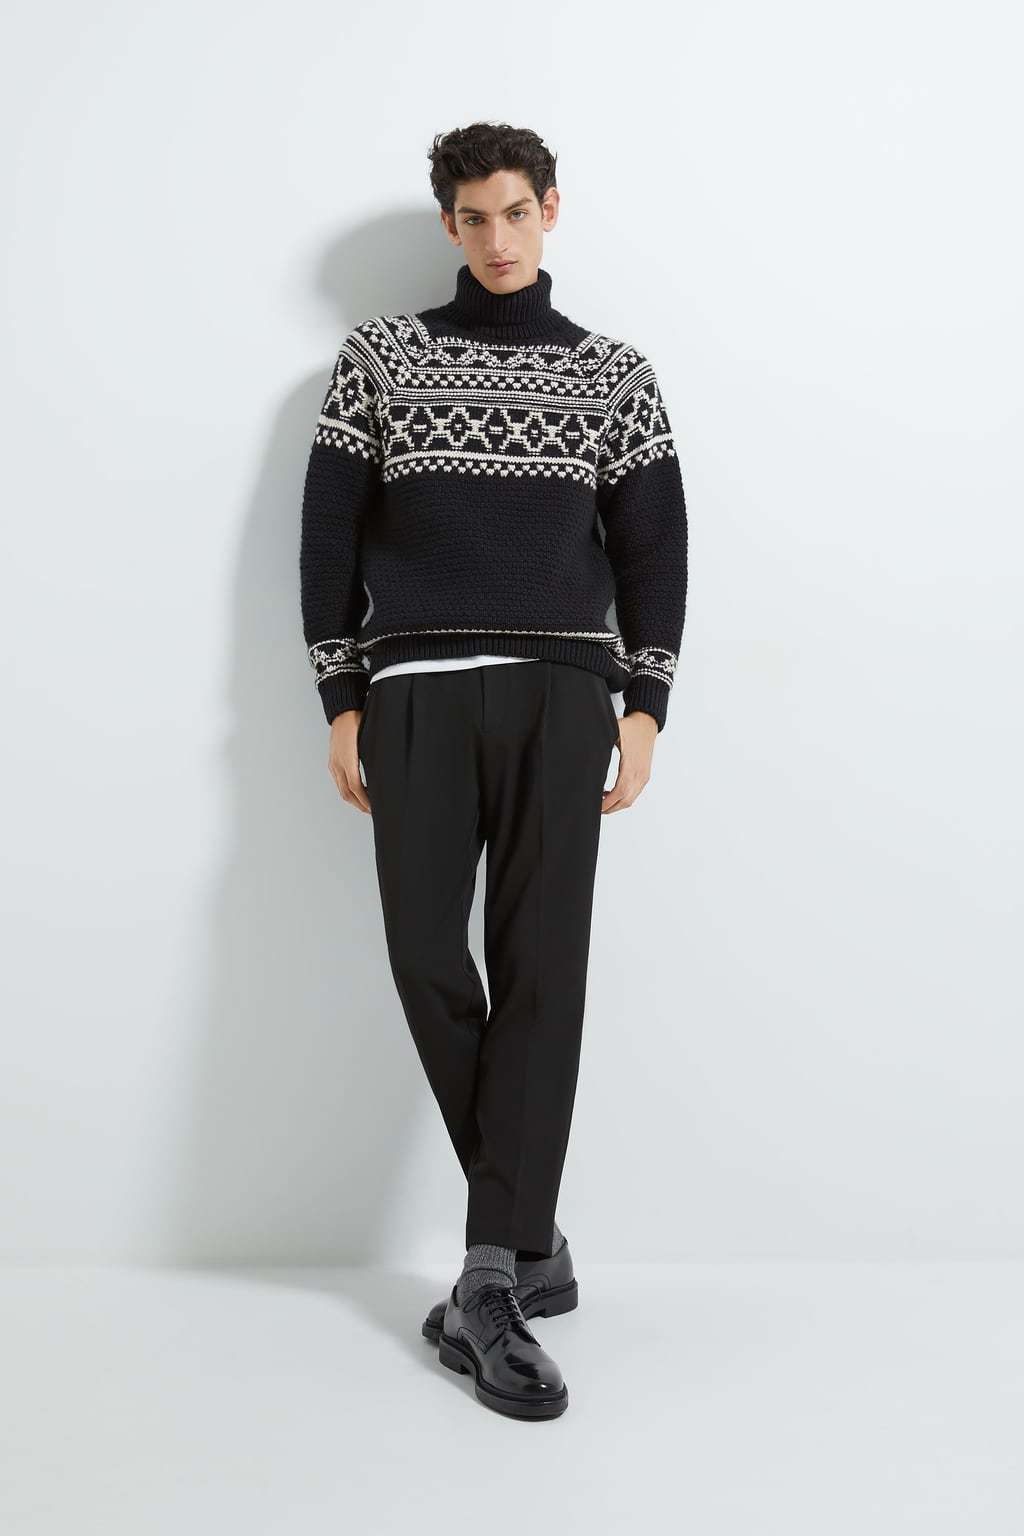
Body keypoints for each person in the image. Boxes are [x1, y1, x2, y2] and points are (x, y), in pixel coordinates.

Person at [299, 121, 688, 1419]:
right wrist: (340, 696)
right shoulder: (382, 360)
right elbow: (328, 535)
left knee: (540, 971)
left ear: (551, 210)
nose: (499, 237)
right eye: (475, 218)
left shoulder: (615, 375)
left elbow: (654, 550)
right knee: (428, 957)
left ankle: (484, 1278)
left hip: (563, 696)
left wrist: (646, 706)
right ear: (451, 226)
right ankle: (530, 1248)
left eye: (518, 211)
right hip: (412, 693)